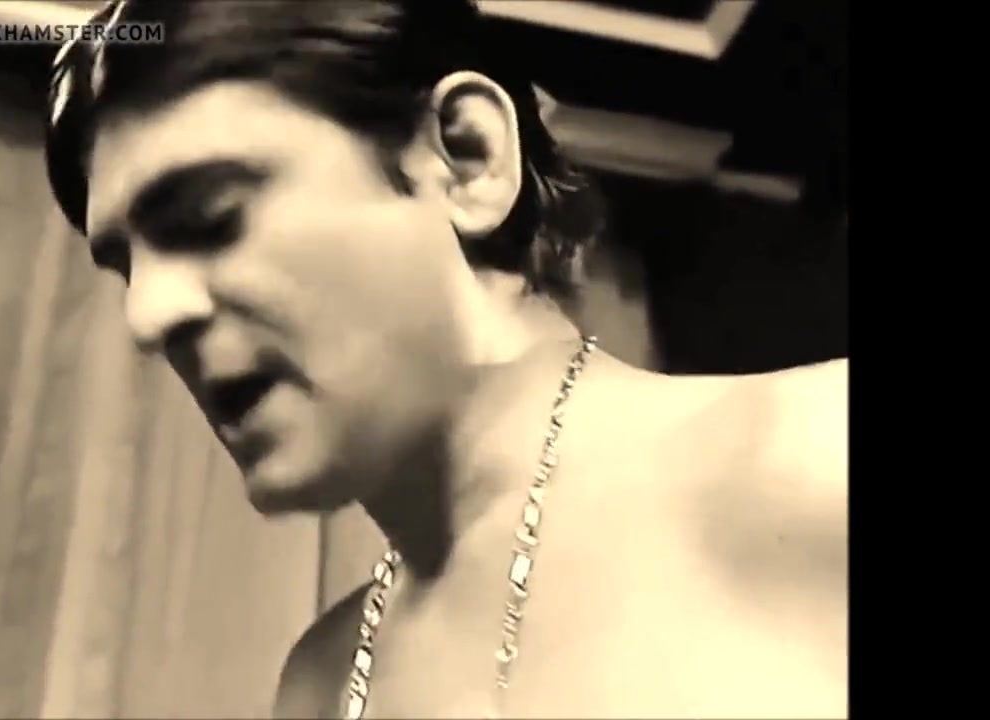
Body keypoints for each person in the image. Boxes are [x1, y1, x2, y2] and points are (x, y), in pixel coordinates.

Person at [44, 1, 848, 717]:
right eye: (125, 268)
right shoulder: (321, 685)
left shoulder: (821, 457)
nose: (148, 315)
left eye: (209, 216)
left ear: (467, 159)